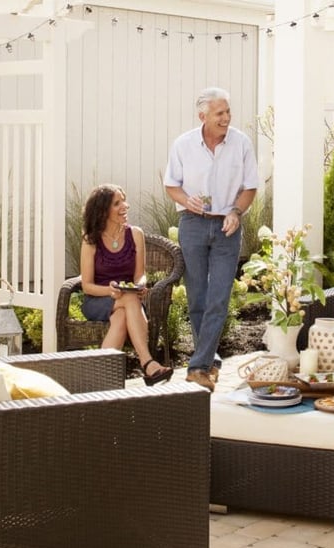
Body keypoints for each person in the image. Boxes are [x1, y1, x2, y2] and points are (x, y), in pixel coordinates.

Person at [164, 87, 259, 392]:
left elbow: (250, 187)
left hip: (226, 229)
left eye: (228, 111)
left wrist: (235, 211)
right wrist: (186, 200)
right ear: (203, 115)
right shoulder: (183, 144)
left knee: (218, 297)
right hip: (192, 224)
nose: (226, 118)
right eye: (220, 113)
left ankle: (198, 366)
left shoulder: (241, 143)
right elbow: (171, 185)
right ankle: (210, 359)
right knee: (197, 298)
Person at [80, 184, 173, 386]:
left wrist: (140, 285)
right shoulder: (91, 240)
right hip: (98, 300)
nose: (125, 206)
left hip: (127, 300)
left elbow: (140, 275)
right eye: (117, 203)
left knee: (122, 315)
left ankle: (99, 379)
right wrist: (110, 291)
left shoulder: (135, 234)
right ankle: (147, 362)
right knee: (128, 298)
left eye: (124, 200)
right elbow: (87, 286)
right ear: (103, 210)